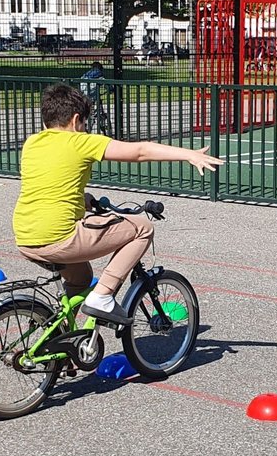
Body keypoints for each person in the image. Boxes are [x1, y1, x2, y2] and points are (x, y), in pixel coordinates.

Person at [12, 84, 223, 325]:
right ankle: (102, 297)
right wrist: (189, 154)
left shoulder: (32, 143)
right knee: (142, 228)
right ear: (76, 120)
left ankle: (62, 336)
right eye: (84, 125)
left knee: (81, 279)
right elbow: (140, 152)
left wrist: (85, 201)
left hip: (26, 237)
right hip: (59, 237)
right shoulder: (80, 142)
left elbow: (51, 186)